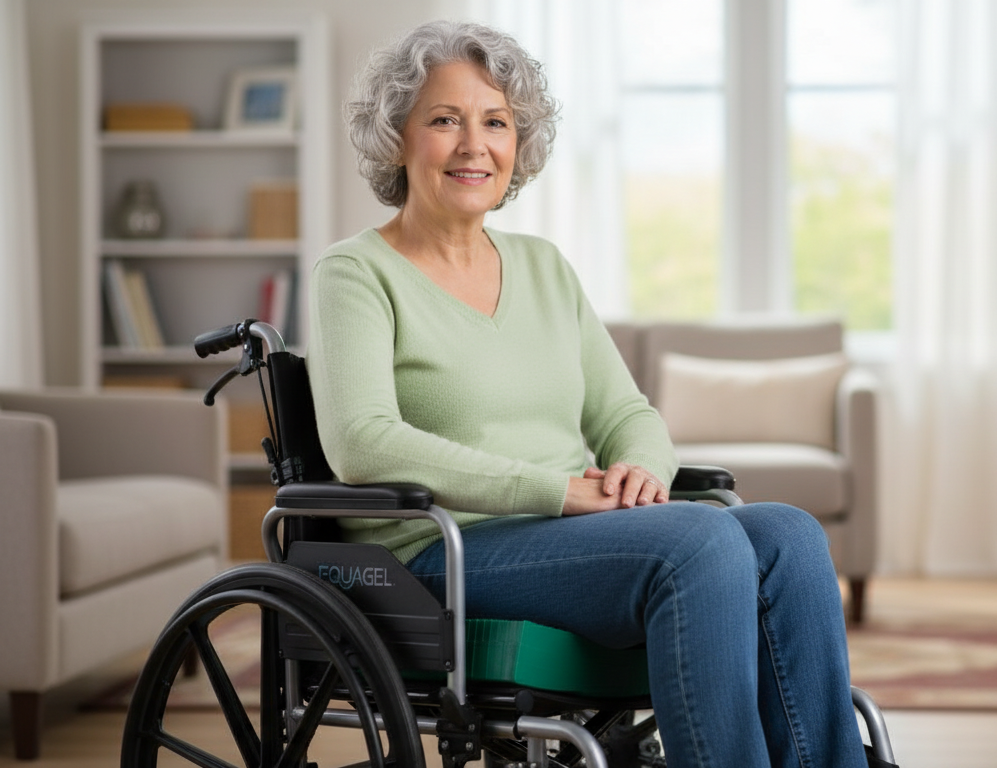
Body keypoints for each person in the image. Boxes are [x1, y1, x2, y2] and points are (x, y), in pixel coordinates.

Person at [308, 19, 872, 768]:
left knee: (790, 537)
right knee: (697, 541)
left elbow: (625, 412)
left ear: (519, 144)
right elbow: (361, 442)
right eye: (445, 120)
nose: (475, 145)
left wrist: (642, 467)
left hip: (562, 537)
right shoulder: (355, 274)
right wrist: (556, 490)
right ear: (397, 137)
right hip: (439, 552)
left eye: (497, 122)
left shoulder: (543, 268)